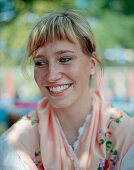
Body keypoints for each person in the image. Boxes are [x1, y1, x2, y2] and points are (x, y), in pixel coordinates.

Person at [0, 10, 134, 170]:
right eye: (40, 63)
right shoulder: (15, 144)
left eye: (65, 59)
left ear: (92, 64)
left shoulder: (127, 137)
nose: (52, 76)